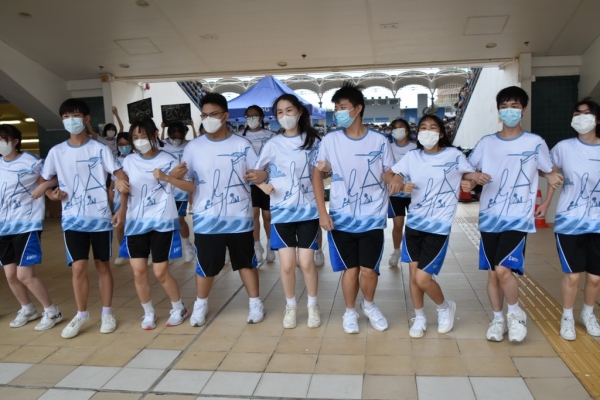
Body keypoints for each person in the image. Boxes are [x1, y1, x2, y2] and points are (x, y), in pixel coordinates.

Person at [467, 86, 563, 343]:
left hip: (518, 217)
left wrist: (546, 203)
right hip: (489, 217)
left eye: (514, 106)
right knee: (493, 273)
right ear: (498, 111)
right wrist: (473, 177)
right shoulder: (487, 143)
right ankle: (498, 319)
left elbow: (551, 173)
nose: (509, 111)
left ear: (523, 110)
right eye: (504, 107)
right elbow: (468, 171)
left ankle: (515, 315)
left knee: (502, 269)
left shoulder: (534, 142)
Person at [384, 114, 482, 338]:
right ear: (418, 133)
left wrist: (472, 180)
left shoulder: (453, 155)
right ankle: (419, 317)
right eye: (423, 127)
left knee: (423, 278)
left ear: (441, 133)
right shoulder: (413, 156)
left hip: (438, 226)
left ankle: (444, 307)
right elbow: (389, 173)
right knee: (413, 274)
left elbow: (469, 173)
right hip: (414, 224)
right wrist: (397, 180)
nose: (427, 131)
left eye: (433, 127)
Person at [312, 82, 395, 334]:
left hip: (372, 216)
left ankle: (368, 305)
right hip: (341, 217)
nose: (338, 112)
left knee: (369, 270)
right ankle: (350, 312)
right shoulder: (330, 140)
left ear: (358, 109)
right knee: (351, 269)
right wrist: (322, 213)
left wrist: (397, 180)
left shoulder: (380, 141)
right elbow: (317, 176)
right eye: (336, 108)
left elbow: (387, 172)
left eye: (343, 107)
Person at [41, 98, 127, 339]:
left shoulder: (100, 149)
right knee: (78, 267)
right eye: (66, 117)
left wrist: (121, 205)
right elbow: (44, 180)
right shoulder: (57, 152)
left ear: (87, 119)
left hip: (100, 218)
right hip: (72, 220)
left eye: (76, 116)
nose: (71, 120)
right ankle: (81, 315)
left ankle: (107, 313)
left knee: (102, 266)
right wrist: (51, 194)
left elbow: (120, 175)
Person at [180, 93, 264, 327]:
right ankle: (200, 305)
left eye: (213, 114)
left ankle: (255, 303)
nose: (208, 119)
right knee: (205, 265)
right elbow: (187, 181)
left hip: (239, 217)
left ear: (225, 116)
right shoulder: (193, 147)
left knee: (246, 262)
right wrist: (172, 179)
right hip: (207, 219)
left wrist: (263, 175)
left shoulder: (242, 144)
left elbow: (258, 173)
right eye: (204, 115)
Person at [247, 95, 322, 329]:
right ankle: (291, 306)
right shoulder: (273, 144)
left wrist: (327, 171)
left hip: (308, 211)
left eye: (289, 110)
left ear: (299, 112)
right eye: (280, 112)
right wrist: (263, 184)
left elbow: (321, 173)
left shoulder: (314, 141)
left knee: (306, 263)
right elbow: (256, 172)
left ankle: (313, 305)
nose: (285, 116)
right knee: (287, 265)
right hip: (281, 212)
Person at [113, 117, 188, 329]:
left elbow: (184, 184)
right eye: (135, 137)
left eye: (143, 136)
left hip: (162, 222)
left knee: (160, 271)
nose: (139, 141)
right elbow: (125, 187)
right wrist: (122, 209)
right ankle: (148, 312)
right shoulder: (129, 161)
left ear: (155, 134)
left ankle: (178, 308)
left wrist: (167, 177)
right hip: (136, 222)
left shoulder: (168, 159)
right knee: (138, 271)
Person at [537, 99, 600, 340]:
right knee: (573, 275)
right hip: (570, 221)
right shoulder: (564, 147)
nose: (581, 118)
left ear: (597, 119)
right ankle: (567, 317)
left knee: (595, 277)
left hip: (598, 222)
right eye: (577, 114)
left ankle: (588, 314)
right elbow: (549, 172)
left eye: (586, 113)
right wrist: (546, 203)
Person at [0, 124, 62, 330]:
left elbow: (55, 176)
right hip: (3, 227)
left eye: (2, 139)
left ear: (14, 142)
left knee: (24, 275)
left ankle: (52, 311)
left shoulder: (31, 161)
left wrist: (44, 186)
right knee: (10, 275)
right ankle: (27, 309)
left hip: (26, 225)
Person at [242, 105, 275, 264]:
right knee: (254, 214)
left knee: (267, 215)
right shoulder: (241, 137)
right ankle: (257, 246)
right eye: (248, 116)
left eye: (254, 115)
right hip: (249, 183)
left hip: (268, 182)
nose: (252, 118)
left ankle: (270, 245)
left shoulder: (271, 136)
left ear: (261, 117)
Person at [161, 121, 196, 263]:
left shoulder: (189, 145)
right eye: (173, 133)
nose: (176, 136)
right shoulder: (162, 145)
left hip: (181, 189)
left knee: (180, 219)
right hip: (165, 189)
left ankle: (186, 245)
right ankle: (170, 249)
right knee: (167, 220)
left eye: (179, 133)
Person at [387, 119, 417, 267]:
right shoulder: (389, 147)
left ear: (407, 130)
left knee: (414, 225)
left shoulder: (415, 147)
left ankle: (414, 252)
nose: (397, 130)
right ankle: (396, 250)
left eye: (401, 127)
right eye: (395, 127)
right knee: (398, 225)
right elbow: (385, 171)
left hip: (415, 193)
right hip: (396, 193)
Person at [110, 133, 133, 265]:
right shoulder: (115, 160)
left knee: (136, 226)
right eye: (121, 145)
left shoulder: (136, 158)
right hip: (119, 198)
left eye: (127, 144)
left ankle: (145, 252)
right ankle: (123, 251)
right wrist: (110, 189)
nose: (124, 147)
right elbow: (113, 178)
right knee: (120, 226)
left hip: (134, 198)